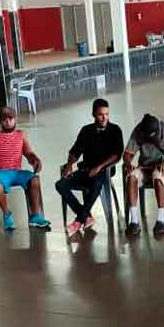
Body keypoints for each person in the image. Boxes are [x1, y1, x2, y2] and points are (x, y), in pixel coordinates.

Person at [56, 98, 124, 236]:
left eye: (107, 114)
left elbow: (117, 155)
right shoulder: (86, 130)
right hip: (86, 169)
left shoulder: (115, 130)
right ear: (93, 114)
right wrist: (69, 165)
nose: (104, 117)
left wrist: (99, 167)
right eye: (100, 114)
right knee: (61, 184)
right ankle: (86, 216)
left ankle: (77, 221)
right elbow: (75, 151)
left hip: (104, 171)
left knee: (97, 183)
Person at [0, 107, 51, 231]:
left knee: (34, 180)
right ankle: (7, 214)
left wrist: (35, 160)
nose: (8, 122)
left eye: (10, 119)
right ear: (0, 122)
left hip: (17, 172)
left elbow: (28, 153)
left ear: (15, 119)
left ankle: (34, 216)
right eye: (4, 120)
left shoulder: (21, 135)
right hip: (0, 172)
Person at [123, 113, 164, 237]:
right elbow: (127, 153)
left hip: (162, 166)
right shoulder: (139, 130)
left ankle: (161, 219)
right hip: (144, 166)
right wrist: (128, 163)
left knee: (158, 176)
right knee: (131, 176)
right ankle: (134, 221)